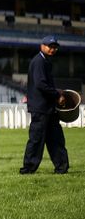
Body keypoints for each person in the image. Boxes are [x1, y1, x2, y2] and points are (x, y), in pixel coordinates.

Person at [20, 36, 69, 174]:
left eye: (55, 47)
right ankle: (28, 168)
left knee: (56, 139)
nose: (53, 49)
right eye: (50, 46)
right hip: (40, 108)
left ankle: (61, 167)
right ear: (42, 46)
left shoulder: (45, 61)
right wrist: (57, 95)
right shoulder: (39, 61)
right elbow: (41, 84)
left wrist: (56, 92)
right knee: (36, 139)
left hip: (48, 108)